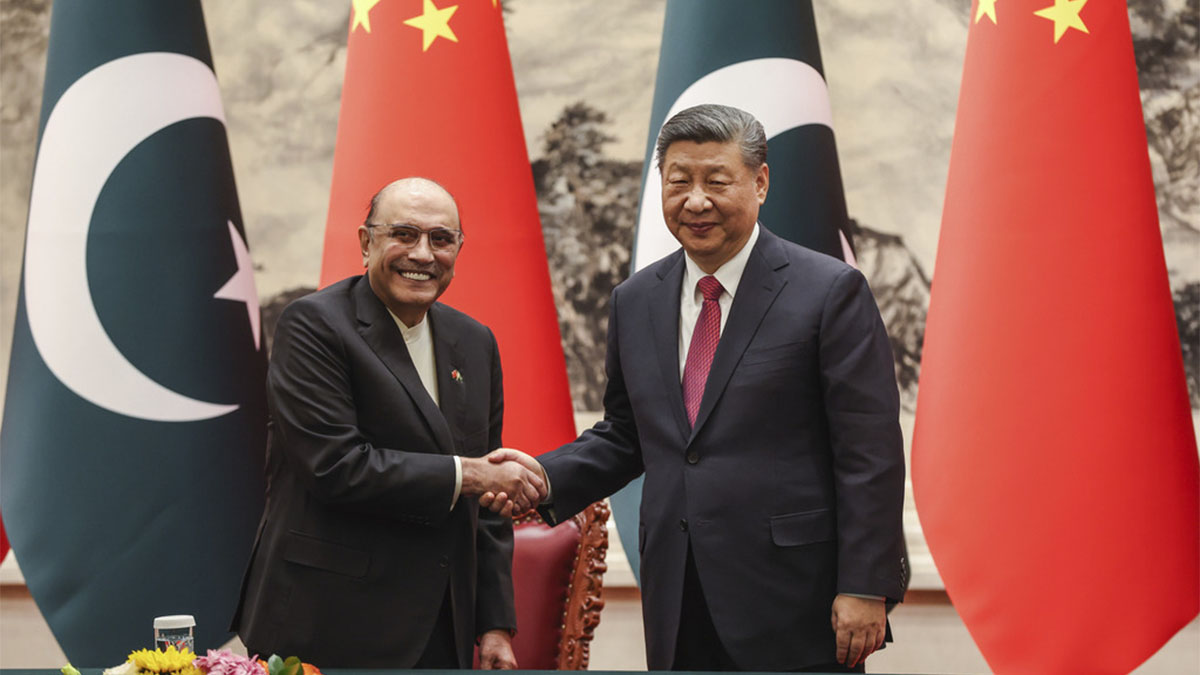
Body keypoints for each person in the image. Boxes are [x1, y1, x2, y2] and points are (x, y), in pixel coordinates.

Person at [486, 104, 908, 672]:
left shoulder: (830, 291)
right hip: (677, 591)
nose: (696, 200)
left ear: (760, 182)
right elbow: (627, 434)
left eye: (717, 180)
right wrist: (539, 476)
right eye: (678, 181)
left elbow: (869, 453)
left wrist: (866, 584)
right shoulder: (635, 300)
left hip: (795, 599)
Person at [232, 177, 545, 669]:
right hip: (329, 625)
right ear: (365, 242)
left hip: (443, 629)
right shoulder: (314, 326)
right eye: (404, 234)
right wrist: (470, 474)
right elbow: (336, 467)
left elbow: (489, 505)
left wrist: (494, 624)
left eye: (441, 239)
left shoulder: (475, 342)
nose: (423, 254)